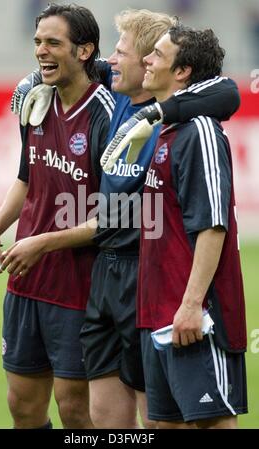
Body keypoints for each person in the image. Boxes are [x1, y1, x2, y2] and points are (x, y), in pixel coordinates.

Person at [5, 9, 241, 428]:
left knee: (163, 419)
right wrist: (31, 80)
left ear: (155, 62)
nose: (112, 60)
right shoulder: (116, 95)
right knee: (104, 419)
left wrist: (42, 241)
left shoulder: (175, 123)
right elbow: (75, 60)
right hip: (105, 277)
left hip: (144, 275)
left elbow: (228, 92)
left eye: (123, 52)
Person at [0, 3, 114, 429]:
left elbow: (115, 217)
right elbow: (25, 178)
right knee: (22, 405)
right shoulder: (34, 102)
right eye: (38, 42)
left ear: (85, 50)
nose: (41, 51)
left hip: (78, 286)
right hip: (25, 278)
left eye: (54, 42)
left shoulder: (106, 115)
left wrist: (41, 243)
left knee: (74, 408)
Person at [138, 25, 248, 429]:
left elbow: (213, 224)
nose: (147, 60)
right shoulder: (169, 127)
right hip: (159, 314)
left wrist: (191, 305)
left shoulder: (199, 130)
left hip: (195, 318)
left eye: (158, 55)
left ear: (182, 71)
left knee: (212, 423)